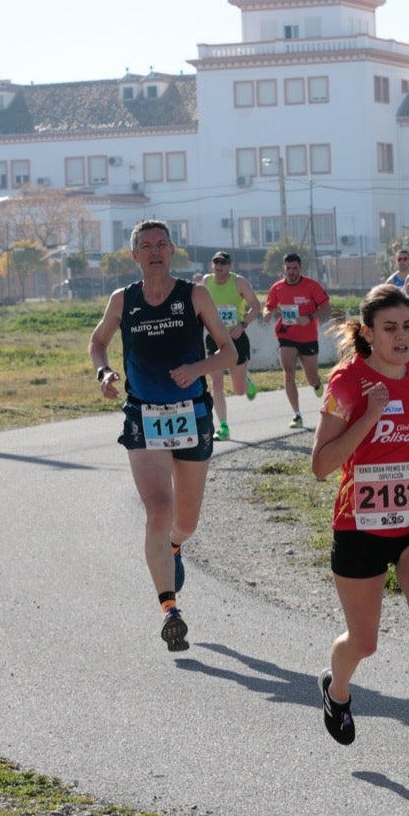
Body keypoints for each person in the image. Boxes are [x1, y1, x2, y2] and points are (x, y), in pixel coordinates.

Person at [311, 283, 409, 780]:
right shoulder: (347, 384)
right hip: (359, 523)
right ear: (370, 333)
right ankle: (337, 689)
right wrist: (370, 417)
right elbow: (320, 465)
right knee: (364, 641)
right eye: (390, 328)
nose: (402, 337)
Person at [92, 220, 236, 652]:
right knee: (158, 510)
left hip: (191, 414)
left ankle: (174, 546)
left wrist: (197, 369)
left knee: (185, 522)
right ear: (134, 255)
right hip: (143, 415)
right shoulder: (123, 300)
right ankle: (170, 609)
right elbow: (98, 342)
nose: (154, 251)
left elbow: (229, 351)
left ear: (172, 251)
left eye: (161, 244)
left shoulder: (194, 295)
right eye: (145, 246)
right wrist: (103, 372)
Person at [200, 251, 263, 440]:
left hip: (236, 337)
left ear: (229, 266)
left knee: (239, 390)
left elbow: (256, 306)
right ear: (212, 265)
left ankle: (246, 380)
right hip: (214, 338)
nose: (219, 266)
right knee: (216, 382)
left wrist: (242, 326)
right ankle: (223, 427)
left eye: (223, 263)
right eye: (216, 263)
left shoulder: (239, 282)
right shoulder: (206, 281)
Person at [263, 252, 331, 428]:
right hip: (286, 335)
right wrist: (267, 313)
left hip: (308, 337)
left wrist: (310, 317)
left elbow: (326, 308)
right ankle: (297, 415)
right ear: (284, 268)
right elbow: (268, 306)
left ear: (300, 268)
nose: (291, 272)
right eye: (288, 268)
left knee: (311, 377)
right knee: (288, 372)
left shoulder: (311, 286)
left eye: (294, 268)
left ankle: (317, 383)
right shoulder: (277, 287)